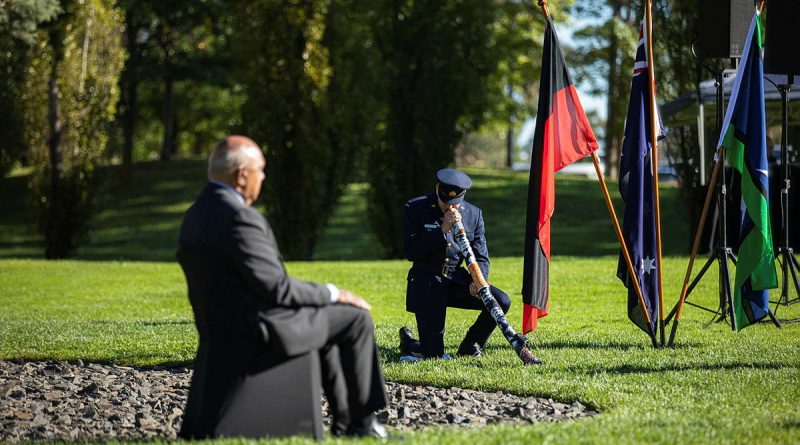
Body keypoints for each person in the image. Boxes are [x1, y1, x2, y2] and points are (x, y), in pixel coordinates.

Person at [177, 135, 388, 439]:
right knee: (355, 319)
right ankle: (362, 425)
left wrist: (320, 300)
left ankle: (348, 422)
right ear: (242, 175)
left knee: (326, 317)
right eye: (260, 170)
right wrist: (333, 292)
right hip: (260, 330)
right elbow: (277, 289)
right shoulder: (239, 218)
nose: (263, 177)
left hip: (222, 328)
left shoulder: (196, 214)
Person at [399, 168, 511, 359]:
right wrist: (442, 230)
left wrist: (477, 280)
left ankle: (471, 345)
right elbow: (411, 251)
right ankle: (409, 343)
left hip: (456, 280)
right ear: (437, 189)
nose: (450, 207)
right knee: (432, 354)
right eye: (445, 201)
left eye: (455, 202)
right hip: (427, 282)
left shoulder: (474, 214)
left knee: (501, 300)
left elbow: (481, 255)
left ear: (463, 194)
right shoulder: (416, 207)